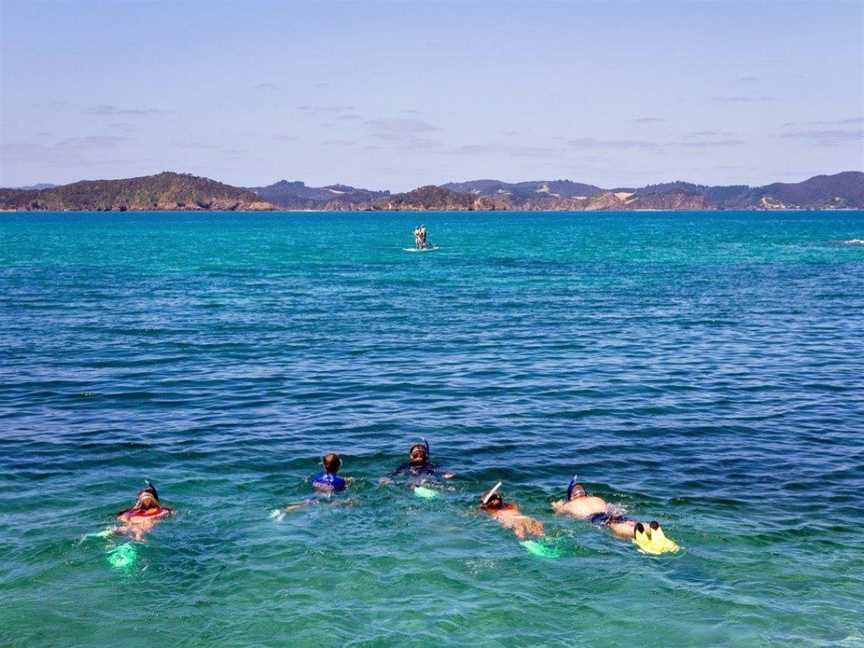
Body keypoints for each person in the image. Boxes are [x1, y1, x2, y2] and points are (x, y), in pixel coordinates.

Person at [552, 475, 655, 541]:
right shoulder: (596, 498)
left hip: (597, 517)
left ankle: (634, 532)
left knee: (613, 526)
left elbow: (556, 516)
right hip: (612, 512)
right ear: (585, 494)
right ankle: (649, 527)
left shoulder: (569, 505)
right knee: (625, 520)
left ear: (571, 497)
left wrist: (557, 506)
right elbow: (609, 507)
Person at [273, 453, 351, 516]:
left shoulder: (317, 476)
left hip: (315, 493)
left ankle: (283, 510)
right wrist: (348, 483)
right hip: (327, 497)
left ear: (323, 465)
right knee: (346, 502)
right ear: (338, 467)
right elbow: (343, 489)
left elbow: (309, 480)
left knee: (305, 502)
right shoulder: (341, 480)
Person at [479, 482, 544, 540]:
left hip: (514, 522)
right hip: (527, 518)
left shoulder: (489, 510)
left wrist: (483, 506)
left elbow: (478, 511)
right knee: (542, 535)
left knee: (523, 539)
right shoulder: (511, 505)